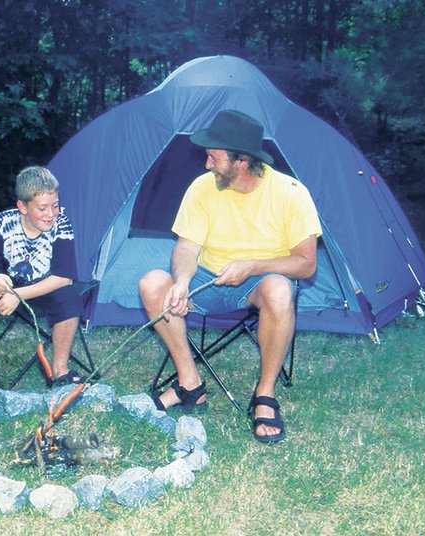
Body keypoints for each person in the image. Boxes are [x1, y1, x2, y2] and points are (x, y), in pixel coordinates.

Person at [138, 110, 322, 443]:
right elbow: (185, 249)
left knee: (280, 291)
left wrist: (253, 266)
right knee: (153, 284)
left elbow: (306, 264)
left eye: (213, 157)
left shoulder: (291, 193)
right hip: (206, 281)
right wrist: (180, 282)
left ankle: (265, 394)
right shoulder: (202, 188)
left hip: (257, 284)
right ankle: (190, 383)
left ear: (241, 162)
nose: (207, 164)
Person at [0, 165, 84, 385]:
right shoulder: (3, 223)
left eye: (55, 206)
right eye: (42, 208)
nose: (51, 214)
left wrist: (18, 295)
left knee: (70, 298)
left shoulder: (62, 224)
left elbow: (64, 278)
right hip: (5, 285)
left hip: (44, 286)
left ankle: (60, 371)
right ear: (22, 206)